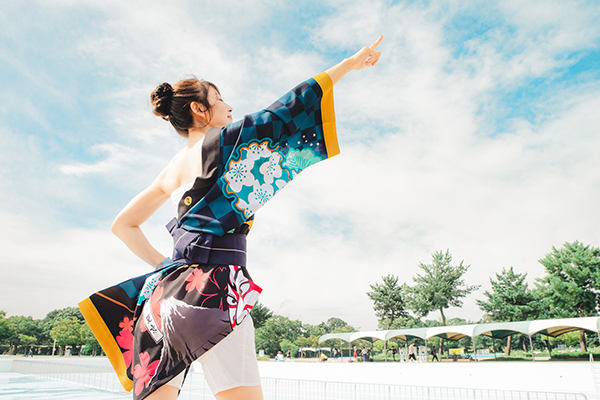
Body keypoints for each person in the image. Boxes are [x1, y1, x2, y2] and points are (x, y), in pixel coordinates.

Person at [78, 37, 382, 400]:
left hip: (166, 297)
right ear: (200, 109)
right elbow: (284, 111)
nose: (229, 105)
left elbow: (122, 225)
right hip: (218, 291)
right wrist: (348, 64)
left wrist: (164, 264)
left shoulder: (170, 170)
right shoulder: (225, 140)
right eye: (219, 98)